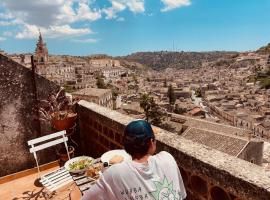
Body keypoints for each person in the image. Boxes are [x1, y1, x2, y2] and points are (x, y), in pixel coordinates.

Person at [81, 120, 186, 200]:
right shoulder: (168, 158)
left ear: (126, 146)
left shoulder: (114, 173)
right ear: (151, 142)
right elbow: (182, 195)